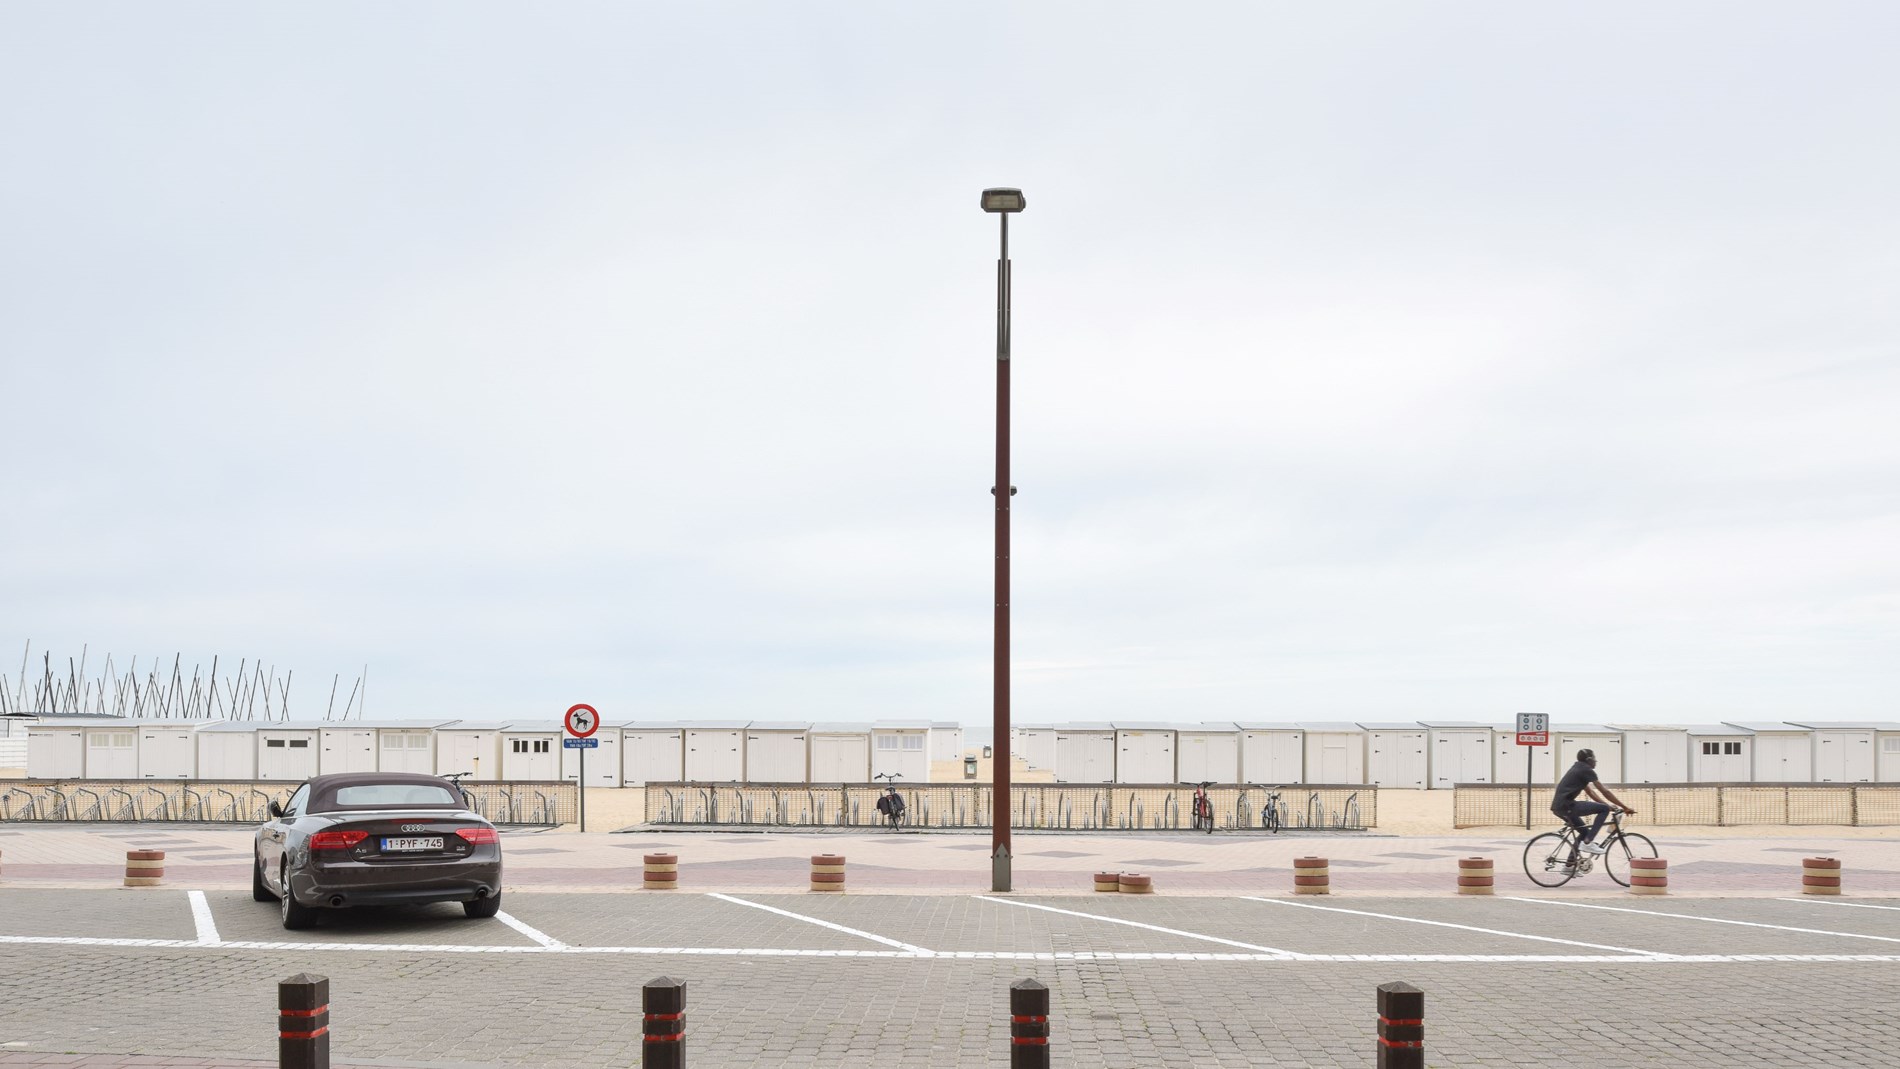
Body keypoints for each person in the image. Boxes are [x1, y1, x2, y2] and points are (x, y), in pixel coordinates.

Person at [1550, 749, 1636, 857]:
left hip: (1559, 807)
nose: (1596, 761)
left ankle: (1569, 865)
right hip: (1567, 806)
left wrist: (1607, 805)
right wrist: (1624, 807)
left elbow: (1590, 792)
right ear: (1589, 760)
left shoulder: (1577, 768)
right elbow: (1605, 791)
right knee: (1603, 809)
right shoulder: (1586, 770)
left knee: (1584, 832)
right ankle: (1588, 842)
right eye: (1594, 759)